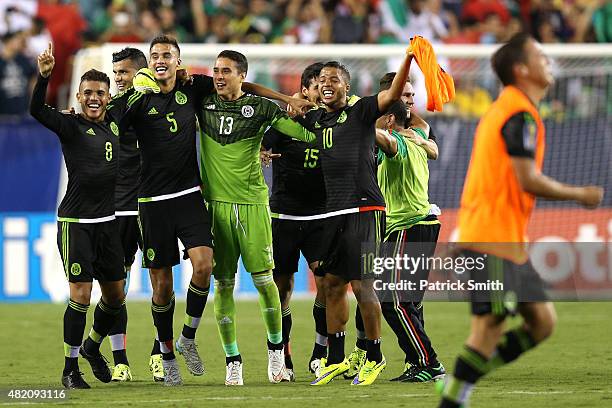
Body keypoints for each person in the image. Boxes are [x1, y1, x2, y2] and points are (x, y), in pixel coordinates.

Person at [113, 35, 315, 386]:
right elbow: (107, 123)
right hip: (156, 202)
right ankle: (171, 354)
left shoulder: (196, 89)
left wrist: (286, 100)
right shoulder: (140, 98)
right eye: (155, 55)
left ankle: (203, 341)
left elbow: (245, 84)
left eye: (168, 55)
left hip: (197, 196)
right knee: (165, 287)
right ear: (149, 61)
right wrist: (93, 109)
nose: (219, 76)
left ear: (179, 62)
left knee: (217, 270)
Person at [438, 33, 604, 407]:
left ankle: (463, 378)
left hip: (506, 242)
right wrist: (580, 195)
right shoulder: (517, 113)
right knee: (488, 329)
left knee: (542, 322)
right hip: (489, 239)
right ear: (521, 69)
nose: (548, 61)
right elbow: (527, 178)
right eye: (540, 55)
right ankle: (454, 396)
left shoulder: (511, 109)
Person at [197, 50, 316, 386]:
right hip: (215, 207)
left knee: (266, 283)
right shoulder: (202, 103)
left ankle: (276, 354)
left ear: (242, 76)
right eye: (216, 71)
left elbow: (303, 133)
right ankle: (232, 361)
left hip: (252, 204)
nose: (219, 77)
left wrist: (302, 110)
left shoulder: (262, 110)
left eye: (226, 71)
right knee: (222, 286)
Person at [300, 50, 414, 387]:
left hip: (365, 210)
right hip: (334, 211)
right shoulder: (318, 120)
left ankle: (374, 357)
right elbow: (294, 105)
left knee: (363, 285)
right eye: (322, 82)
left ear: (346, 87)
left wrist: (408, 60)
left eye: (333, 80)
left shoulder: (361, 110)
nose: (326, 85)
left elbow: (393, 94)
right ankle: (336, 358)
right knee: (332, 284)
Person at [30, 43, 126, 389]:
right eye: (88, 93)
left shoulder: (114, 122)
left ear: (108, 95)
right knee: (81, 294)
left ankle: (90, 346)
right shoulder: (70, 125)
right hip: (76, 225)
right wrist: (44, 78)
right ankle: (70, 369)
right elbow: (37, 111)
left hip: (107, 223)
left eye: (100, 92)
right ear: (79, 96)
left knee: (116, 297)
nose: (94, 98)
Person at [261, 62, 330, 380]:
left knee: (327, 283)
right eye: (317, 84)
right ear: (304, 90)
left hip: (321, 217)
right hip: (284, 216)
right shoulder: (285, 122)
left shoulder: (334, 122)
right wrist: (260, 154)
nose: (322, 89)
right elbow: (261, 147)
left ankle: (320, 352)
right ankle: (282, 355)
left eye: (327, 83)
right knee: (283, 288)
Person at [371, 96, 445, 383]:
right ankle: (418, 363)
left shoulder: (398, 142)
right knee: (407, 302)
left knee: (393, 300)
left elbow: (380, 137)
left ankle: (429, 362)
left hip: (408, 225)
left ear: (389, 120)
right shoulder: (418, 139)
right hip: (417, 224)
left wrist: (354, 119)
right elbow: (421, 126)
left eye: (377, 115)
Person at [103, 47, 148, 383]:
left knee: (162, 283)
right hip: (119, 205)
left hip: (153, 203)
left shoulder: (158, 104)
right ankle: (120, 360)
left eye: (125, 72)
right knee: (117, 287)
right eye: (116, 72)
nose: (119, 78)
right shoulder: (110, 109)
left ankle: (162, 355)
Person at [0, 31, 36, 116]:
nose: (19, 43)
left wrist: (33, 100)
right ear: (8, 42)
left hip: (22, 108)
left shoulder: (24, 60)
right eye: (16, 40)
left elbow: (33, 79)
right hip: (3, 111)